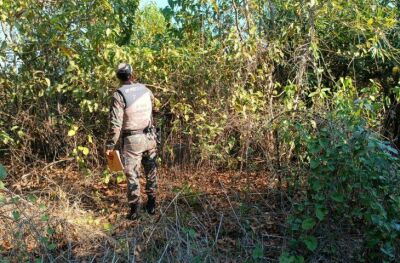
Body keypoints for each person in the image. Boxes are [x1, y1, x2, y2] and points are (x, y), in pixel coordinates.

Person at [106, 63, 158, 220]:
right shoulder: (146, 90)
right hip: (150, 137)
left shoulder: (119, 94)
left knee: (133, 174)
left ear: (118, 77)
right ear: (132, 74)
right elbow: (152, 112)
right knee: (151, 171)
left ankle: (135, 210)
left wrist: (110, 146)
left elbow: (116, 125)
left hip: (132, 140)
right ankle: (152, 205)